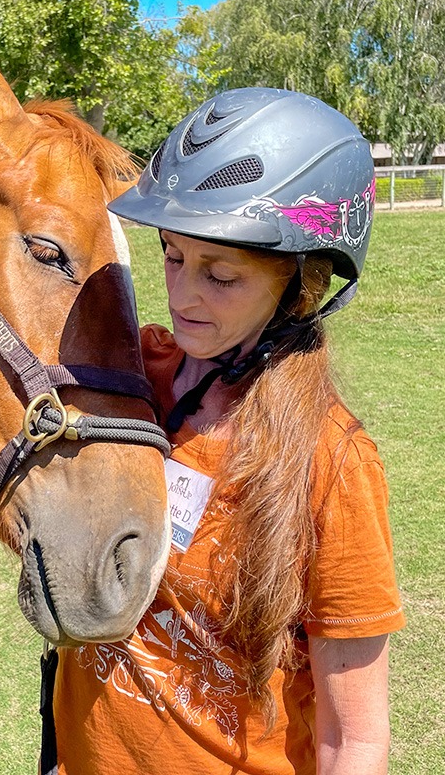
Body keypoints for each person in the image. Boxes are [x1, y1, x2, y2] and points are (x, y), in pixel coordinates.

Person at [49, 88, 405, 774]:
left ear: (301, 287)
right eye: (174, 257)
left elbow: (352, 739)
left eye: (221, 275)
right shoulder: (134, 378)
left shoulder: (331, 463)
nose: (183, 296)